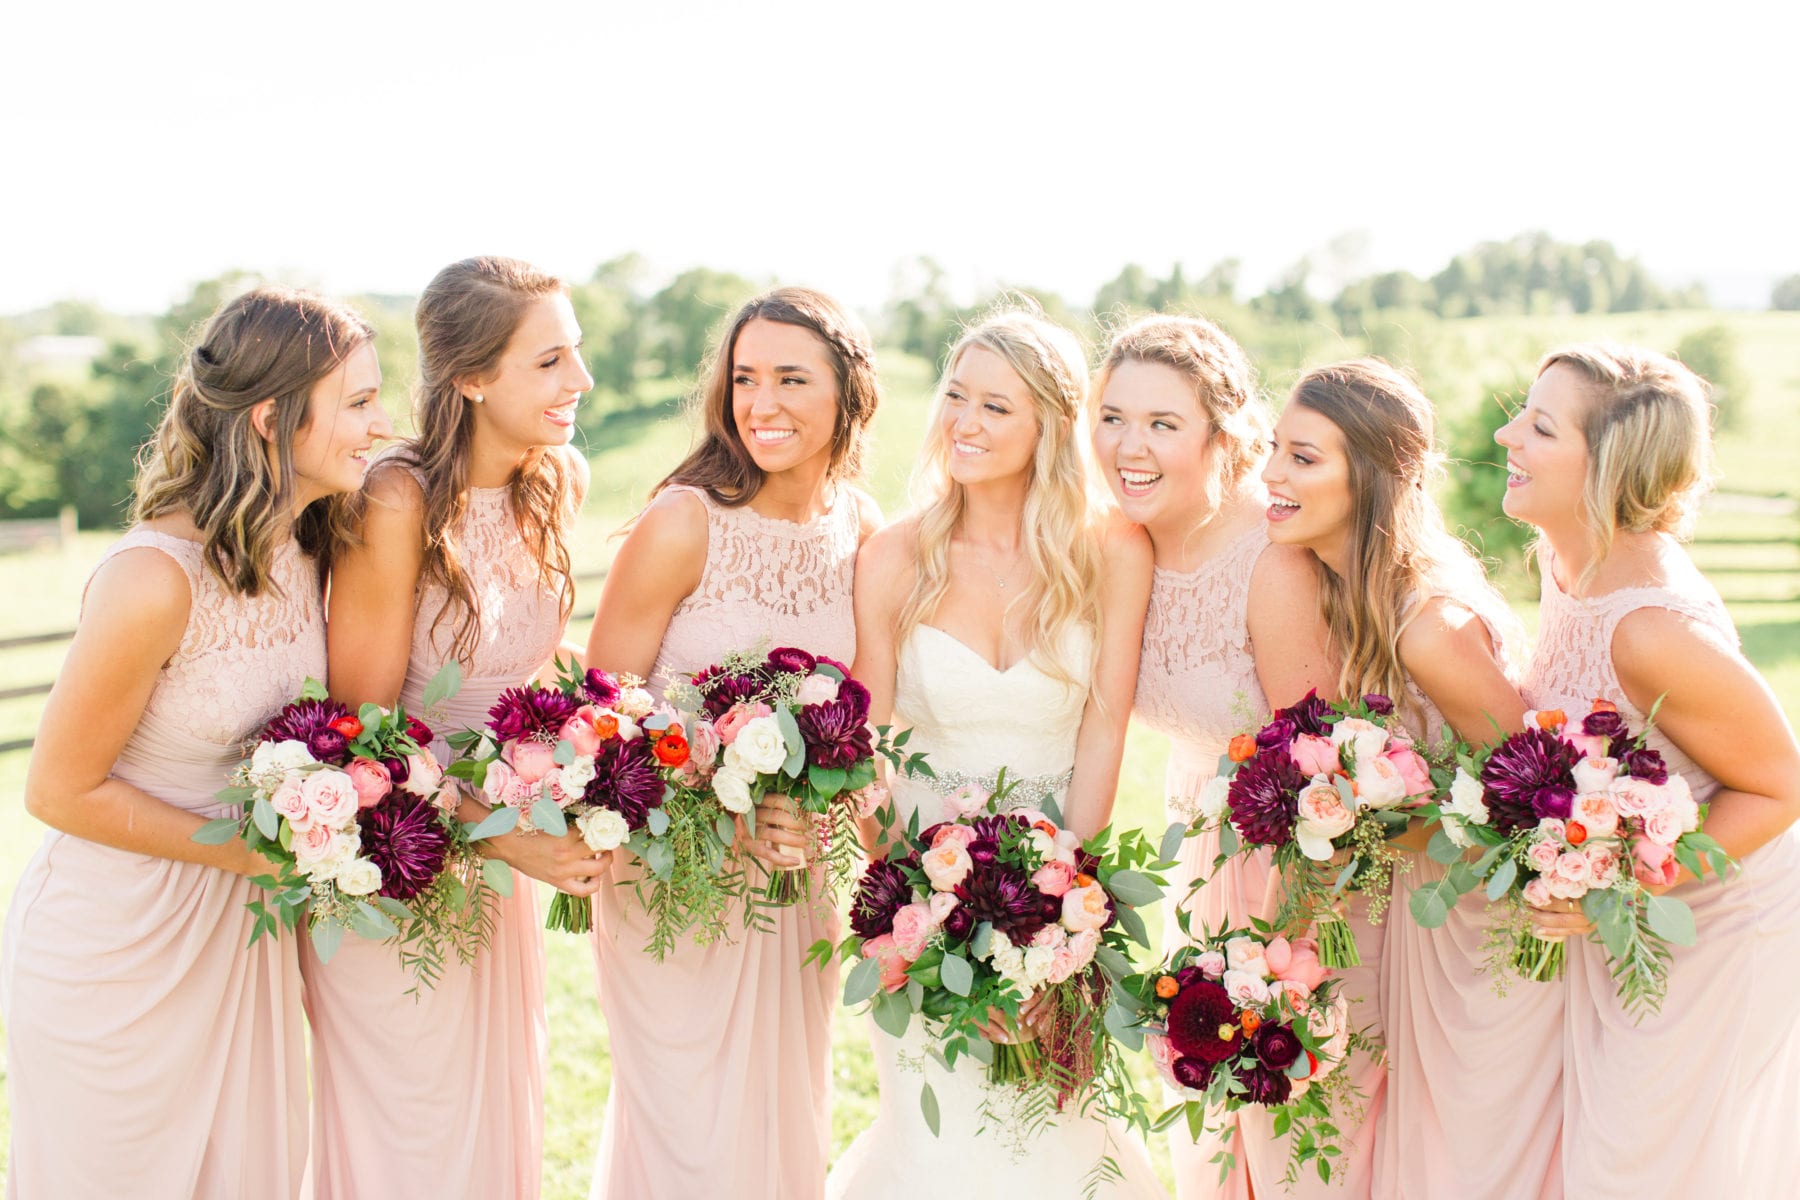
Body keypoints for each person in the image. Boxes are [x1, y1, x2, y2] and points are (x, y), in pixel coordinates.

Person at [1, 286, 390, 1197]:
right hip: (119, 947)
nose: (380, 425)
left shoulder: (306, 548)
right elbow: (57, 791)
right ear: (271, 420)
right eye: (360, 402)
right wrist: (258, 855)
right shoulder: (152, 579)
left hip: (239, 941)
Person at [827, 307, 1163, 1197]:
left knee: (1053, 1129)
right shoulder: (896, 555)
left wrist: (1065, 912)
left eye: (995, 406)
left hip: (1060, 875)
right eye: (956, 396)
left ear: (1049, 425)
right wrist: (913, 905)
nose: (963, 423)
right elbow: (868, 744)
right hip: (916, 881)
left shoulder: (1111, 549)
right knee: (937, 1136)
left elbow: (1105, 726)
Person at [304, 256, 601, 1198]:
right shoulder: (397, 499)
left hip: (499, 868)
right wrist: (499, 832)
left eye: (576, 352)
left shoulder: (557, 480)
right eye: (549, 361)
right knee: (415, 1140)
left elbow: (529, 664)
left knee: (491, 1128)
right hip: (394, 867)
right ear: (470, 378)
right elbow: (361, 735)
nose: (582, 380)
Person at [583, 286, 883, 1198]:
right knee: (688, 1133)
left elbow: (865, 721)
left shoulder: (863, 529)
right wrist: (717, 787)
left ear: (849, 393)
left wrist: (826, 805)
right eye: (745, 378)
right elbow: (601, 718)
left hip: (794, 882)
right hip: (675, 881)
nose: (761, 403)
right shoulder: (685, 520)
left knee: (780, 1119)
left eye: (791, 378)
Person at [1501, 343, 1800, 1195]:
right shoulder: (1566, 562)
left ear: (1608, 468)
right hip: (1635, 929)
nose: (1507, 434)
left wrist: (1619, 887)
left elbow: (1781, 785)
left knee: (1649, 1167)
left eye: (1540, 427)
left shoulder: (1651, 630)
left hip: (1721, 925)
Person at [1263, 358, 1556, 1198]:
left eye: (1302, 457)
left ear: (1373, 477)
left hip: (1475, 939)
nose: (1272, 474)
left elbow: (1536, 812)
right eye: (1275, 449)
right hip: (1412, 920)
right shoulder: (1343, 593)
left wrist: (1376, 816)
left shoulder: (1428, 625)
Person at [1090, 314, 1332, 1199]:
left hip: (1294, 877)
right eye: (1113, 418)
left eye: (1162, 424)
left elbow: (1322, 775)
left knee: (1291, 1141)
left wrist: (1283, 954)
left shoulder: (1271, 561)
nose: (1129, 447)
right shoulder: (1120, 543)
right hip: (1199, 853)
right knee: (1216, 1141)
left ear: (1222, 436)